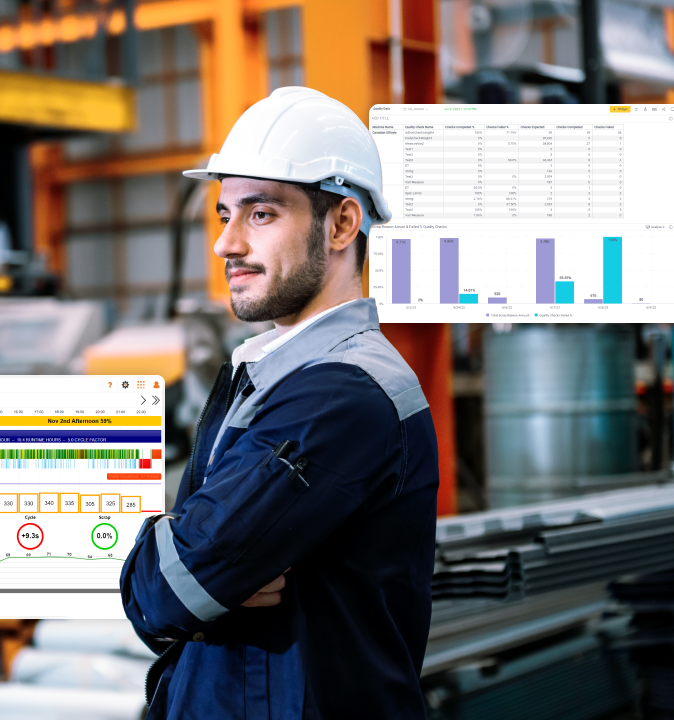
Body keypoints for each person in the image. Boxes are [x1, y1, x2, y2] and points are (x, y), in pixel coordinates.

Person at [119, 87, 439, 719]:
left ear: (343, 223)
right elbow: (191, 572)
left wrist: (179, 558)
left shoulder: (343, 394)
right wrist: (190, 553)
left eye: (260, 214)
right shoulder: (267, 370)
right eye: (224, 215)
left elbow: (171, 591)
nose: (227, 245)